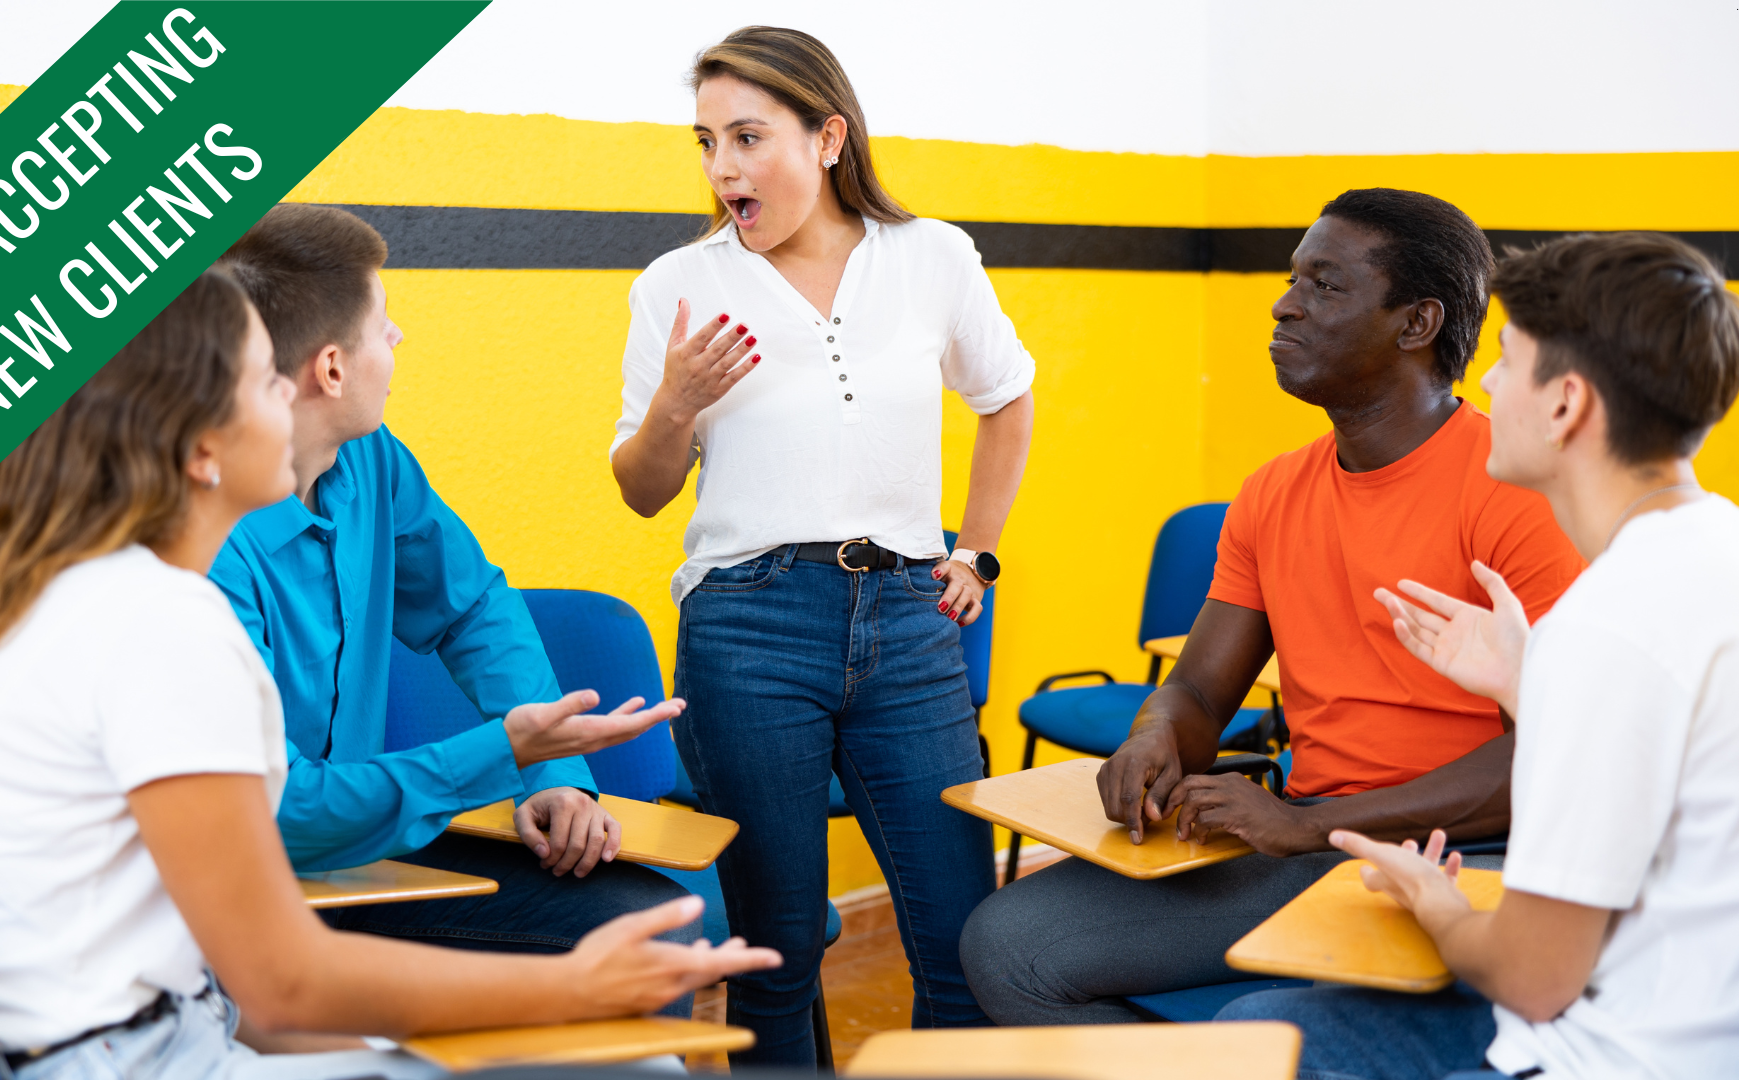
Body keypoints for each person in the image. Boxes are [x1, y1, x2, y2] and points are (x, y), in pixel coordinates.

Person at [0, 269, 780, 1078]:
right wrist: (569, 988)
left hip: (147, 1037)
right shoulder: (164, 628)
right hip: (133, 1058)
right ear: (202, 449)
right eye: (262, 384)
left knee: (610, 1056)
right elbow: (277, 979)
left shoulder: (70, 597)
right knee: (636, 1064)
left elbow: (255, 999)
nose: (292, 402)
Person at [959, 189, 1588, 1023]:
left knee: (1256, 1024)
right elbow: (1199, 692)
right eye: (1294, 279)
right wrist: (1155, 739)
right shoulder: (1272, 494)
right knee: (1008, 946)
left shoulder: (1517, 494)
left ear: (1416, 324)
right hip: (1311, 837)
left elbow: (1556, 758)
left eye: (1324, 286)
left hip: (1467, 857)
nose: (1284, 305)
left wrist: (1307, 827)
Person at [609, 25, 1035, 1064]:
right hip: (746, 626)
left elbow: (1007, 398)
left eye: (748, 137)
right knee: (778, 951)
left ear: (830, 137)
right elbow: (642, 490)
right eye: (706, 141)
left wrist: (975, 552)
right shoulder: (676, 283)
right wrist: (675, 406)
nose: (723, 169)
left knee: (960, 938)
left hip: (909, 618)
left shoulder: (931, 255)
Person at [1220, 232, 1739, 1079]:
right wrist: (1533, 690)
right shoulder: (1713, 546)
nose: (1488, 384)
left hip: (1608, 1053)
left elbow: (1533, 978)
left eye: (1506, 360)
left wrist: (1436, 903)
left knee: (1247, 1045)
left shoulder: (1603, 625)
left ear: (1566, 405)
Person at [212, 206, 703, 987]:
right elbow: (278, 815)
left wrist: (554, 774)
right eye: (383, 324)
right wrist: (506, 751)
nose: (399, 338)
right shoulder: (205, 546)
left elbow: (471, 607)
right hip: (239, 902)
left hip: (360, 856)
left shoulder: (370, 460)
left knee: (654, 928)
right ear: (331, 369)